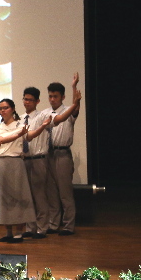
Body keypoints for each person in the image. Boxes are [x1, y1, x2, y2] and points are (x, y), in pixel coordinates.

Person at [0, 99, 36, 243]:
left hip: (15, 162)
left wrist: (43, 126)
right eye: (0, 108)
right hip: (0, 163)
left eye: (6, 108)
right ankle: (8, 231)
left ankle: (19, 231)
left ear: (13, 109)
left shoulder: (21, 126)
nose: (3, 110)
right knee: (3, 198)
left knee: (17, 196)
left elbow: (29, 136)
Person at [43, 73, 83, 235]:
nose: (52, 99)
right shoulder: (45, 113)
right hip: (48, 154)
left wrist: (74, 87)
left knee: (65, 192)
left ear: (62, 97)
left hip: (62, 154)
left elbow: (76, 105)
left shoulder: (69, 110)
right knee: (51, 192)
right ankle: (53, 224)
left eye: (55, 96)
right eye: (50, 96)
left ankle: (68, 225)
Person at [21, 87, 53, 239]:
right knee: (27, 195)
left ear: (37, 101)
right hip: (24, 159)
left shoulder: (42, 116)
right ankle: (29, 226)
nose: (26, 102)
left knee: (39, 194)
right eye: (25, 99)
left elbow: (58, 118)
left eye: (30, 100)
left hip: (39, 159)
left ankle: (42, 227)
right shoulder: (20, 118)